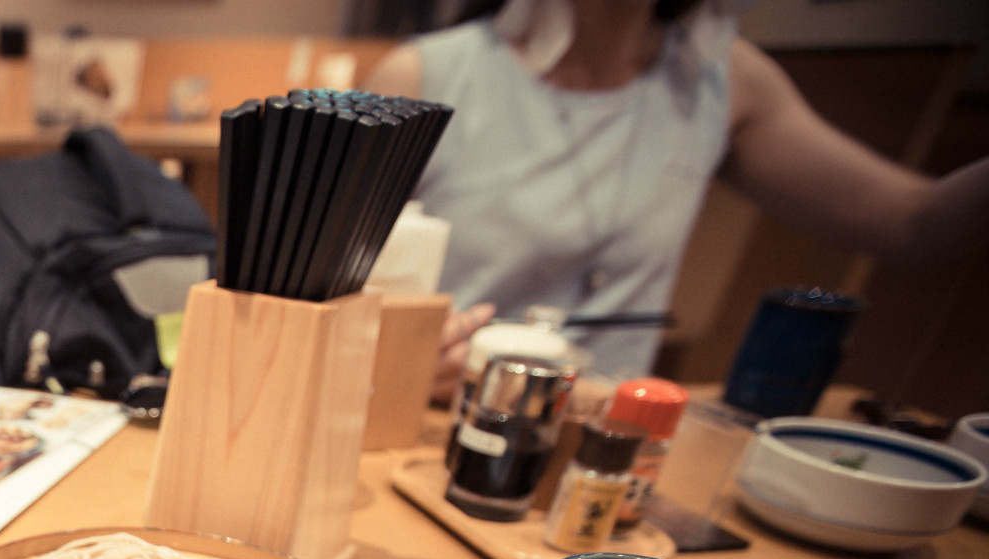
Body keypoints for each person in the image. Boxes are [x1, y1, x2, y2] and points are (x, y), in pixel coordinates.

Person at [366, 0, 989, 393]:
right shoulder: (426, 76)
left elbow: (917, 225)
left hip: (618, 439)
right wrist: (399, 359)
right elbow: (306, 296)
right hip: (448, 427)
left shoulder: (723, 79)